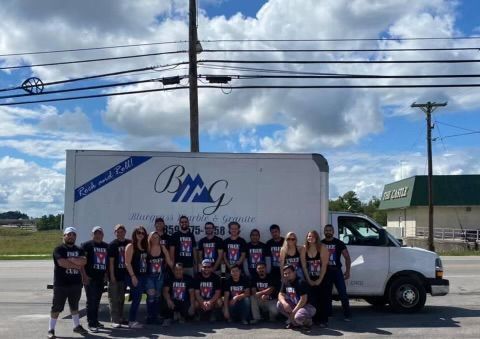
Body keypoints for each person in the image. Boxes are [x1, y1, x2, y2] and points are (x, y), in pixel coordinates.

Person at [48, 227, 88, 339]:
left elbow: (84, 261)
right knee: (56, 308)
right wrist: (77, 264)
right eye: (68, 234)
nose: (71, 236)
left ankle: (77, 326)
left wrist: (71, 261)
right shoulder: (59, 249)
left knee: (75, 307)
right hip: (61, 284)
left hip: (76, 283)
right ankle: (51, 329)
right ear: (64, 236)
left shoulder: (79, 249)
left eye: (73, 235)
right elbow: (62, 263)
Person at [80, 226, 109, 333]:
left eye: (100, 233)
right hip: (90, 278)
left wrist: (106, 274)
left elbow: (107, 262)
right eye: (95, 233)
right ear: (92, 234)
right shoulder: (86, 245)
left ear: (102, 235)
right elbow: (82, 263)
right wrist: (84, 276)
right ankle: (90, 323)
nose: (98, 235)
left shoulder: (106, 246)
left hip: (100, 278)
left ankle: (96, 321)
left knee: (97, 301)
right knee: (91, 301)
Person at [321, 224, 352, 321]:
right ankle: (329, 314)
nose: (328, 232)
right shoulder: (320, 243)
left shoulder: (339, 243)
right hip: (325, 272)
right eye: (326, 230)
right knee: (327, 294)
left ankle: (347, 314)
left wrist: (347, 271)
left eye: (330, 230)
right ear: (324, 232)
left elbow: (347, 257)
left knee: (343, 293)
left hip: (337, 271)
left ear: (333, 232)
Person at [300, 230, 329, 327]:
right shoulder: (304, 249)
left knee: (322, 298)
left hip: (322, 277)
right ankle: (314, 319)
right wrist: (309, 280)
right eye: (308, 236)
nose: (310, 238)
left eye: (312, 236)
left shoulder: (322, 248)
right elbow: (304, 266)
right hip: (309, 277)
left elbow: (324, 266)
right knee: (312, 299)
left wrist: (319, 280)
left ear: (316, 238)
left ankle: (323, 320)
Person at [277, 264, 316, 332]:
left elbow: (303, 300)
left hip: (307, 306)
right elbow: (280, 294)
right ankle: (294, 322)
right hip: (296, 305)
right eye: (285, 274)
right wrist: (285, 303)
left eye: (289, 273)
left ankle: (307, 322)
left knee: (298, 317)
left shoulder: (301, 282)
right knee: (279, 304)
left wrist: (293, 313)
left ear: (294, 272)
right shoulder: (285, 282)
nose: (287, 275)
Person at [145, 231, 173, 324]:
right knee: (151, 296)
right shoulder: (147, 248)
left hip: (160, 276)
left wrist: (175, 269)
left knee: (157, 296)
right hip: (149, 276)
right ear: (150, 238)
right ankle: (149, 316)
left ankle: (156, 316)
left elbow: (169, 260)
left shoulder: (162, 247)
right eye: (153, 237)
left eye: (157, 237)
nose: (155, 239)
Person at [125, 225, 149, 329]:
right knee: (136, 298)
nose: (141, 235)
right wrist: (133, 276)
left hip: (143, 276)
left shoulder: (144, 246)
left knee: (138, 299)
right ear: (135, 234)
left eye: (143, 233)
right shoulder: (131, 246)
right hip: (135, 276)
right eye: (138, 232)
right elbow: (127, 263)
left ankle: (133, 320)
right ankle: (131, 321)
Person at [108, 224, 131, 328]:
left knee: (121, 299)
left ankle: (121, 317)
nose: (120, 233)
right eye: (118, 231)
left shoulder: (128, 243)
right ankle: (114, 320)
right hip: (115, 276)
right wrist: (112, 276)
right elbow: (111, 262)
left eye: (122, 231)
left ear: (125, 232)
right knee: (113, 298)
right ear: (115, 233)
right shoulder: (112, 245)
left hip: (124, 276)